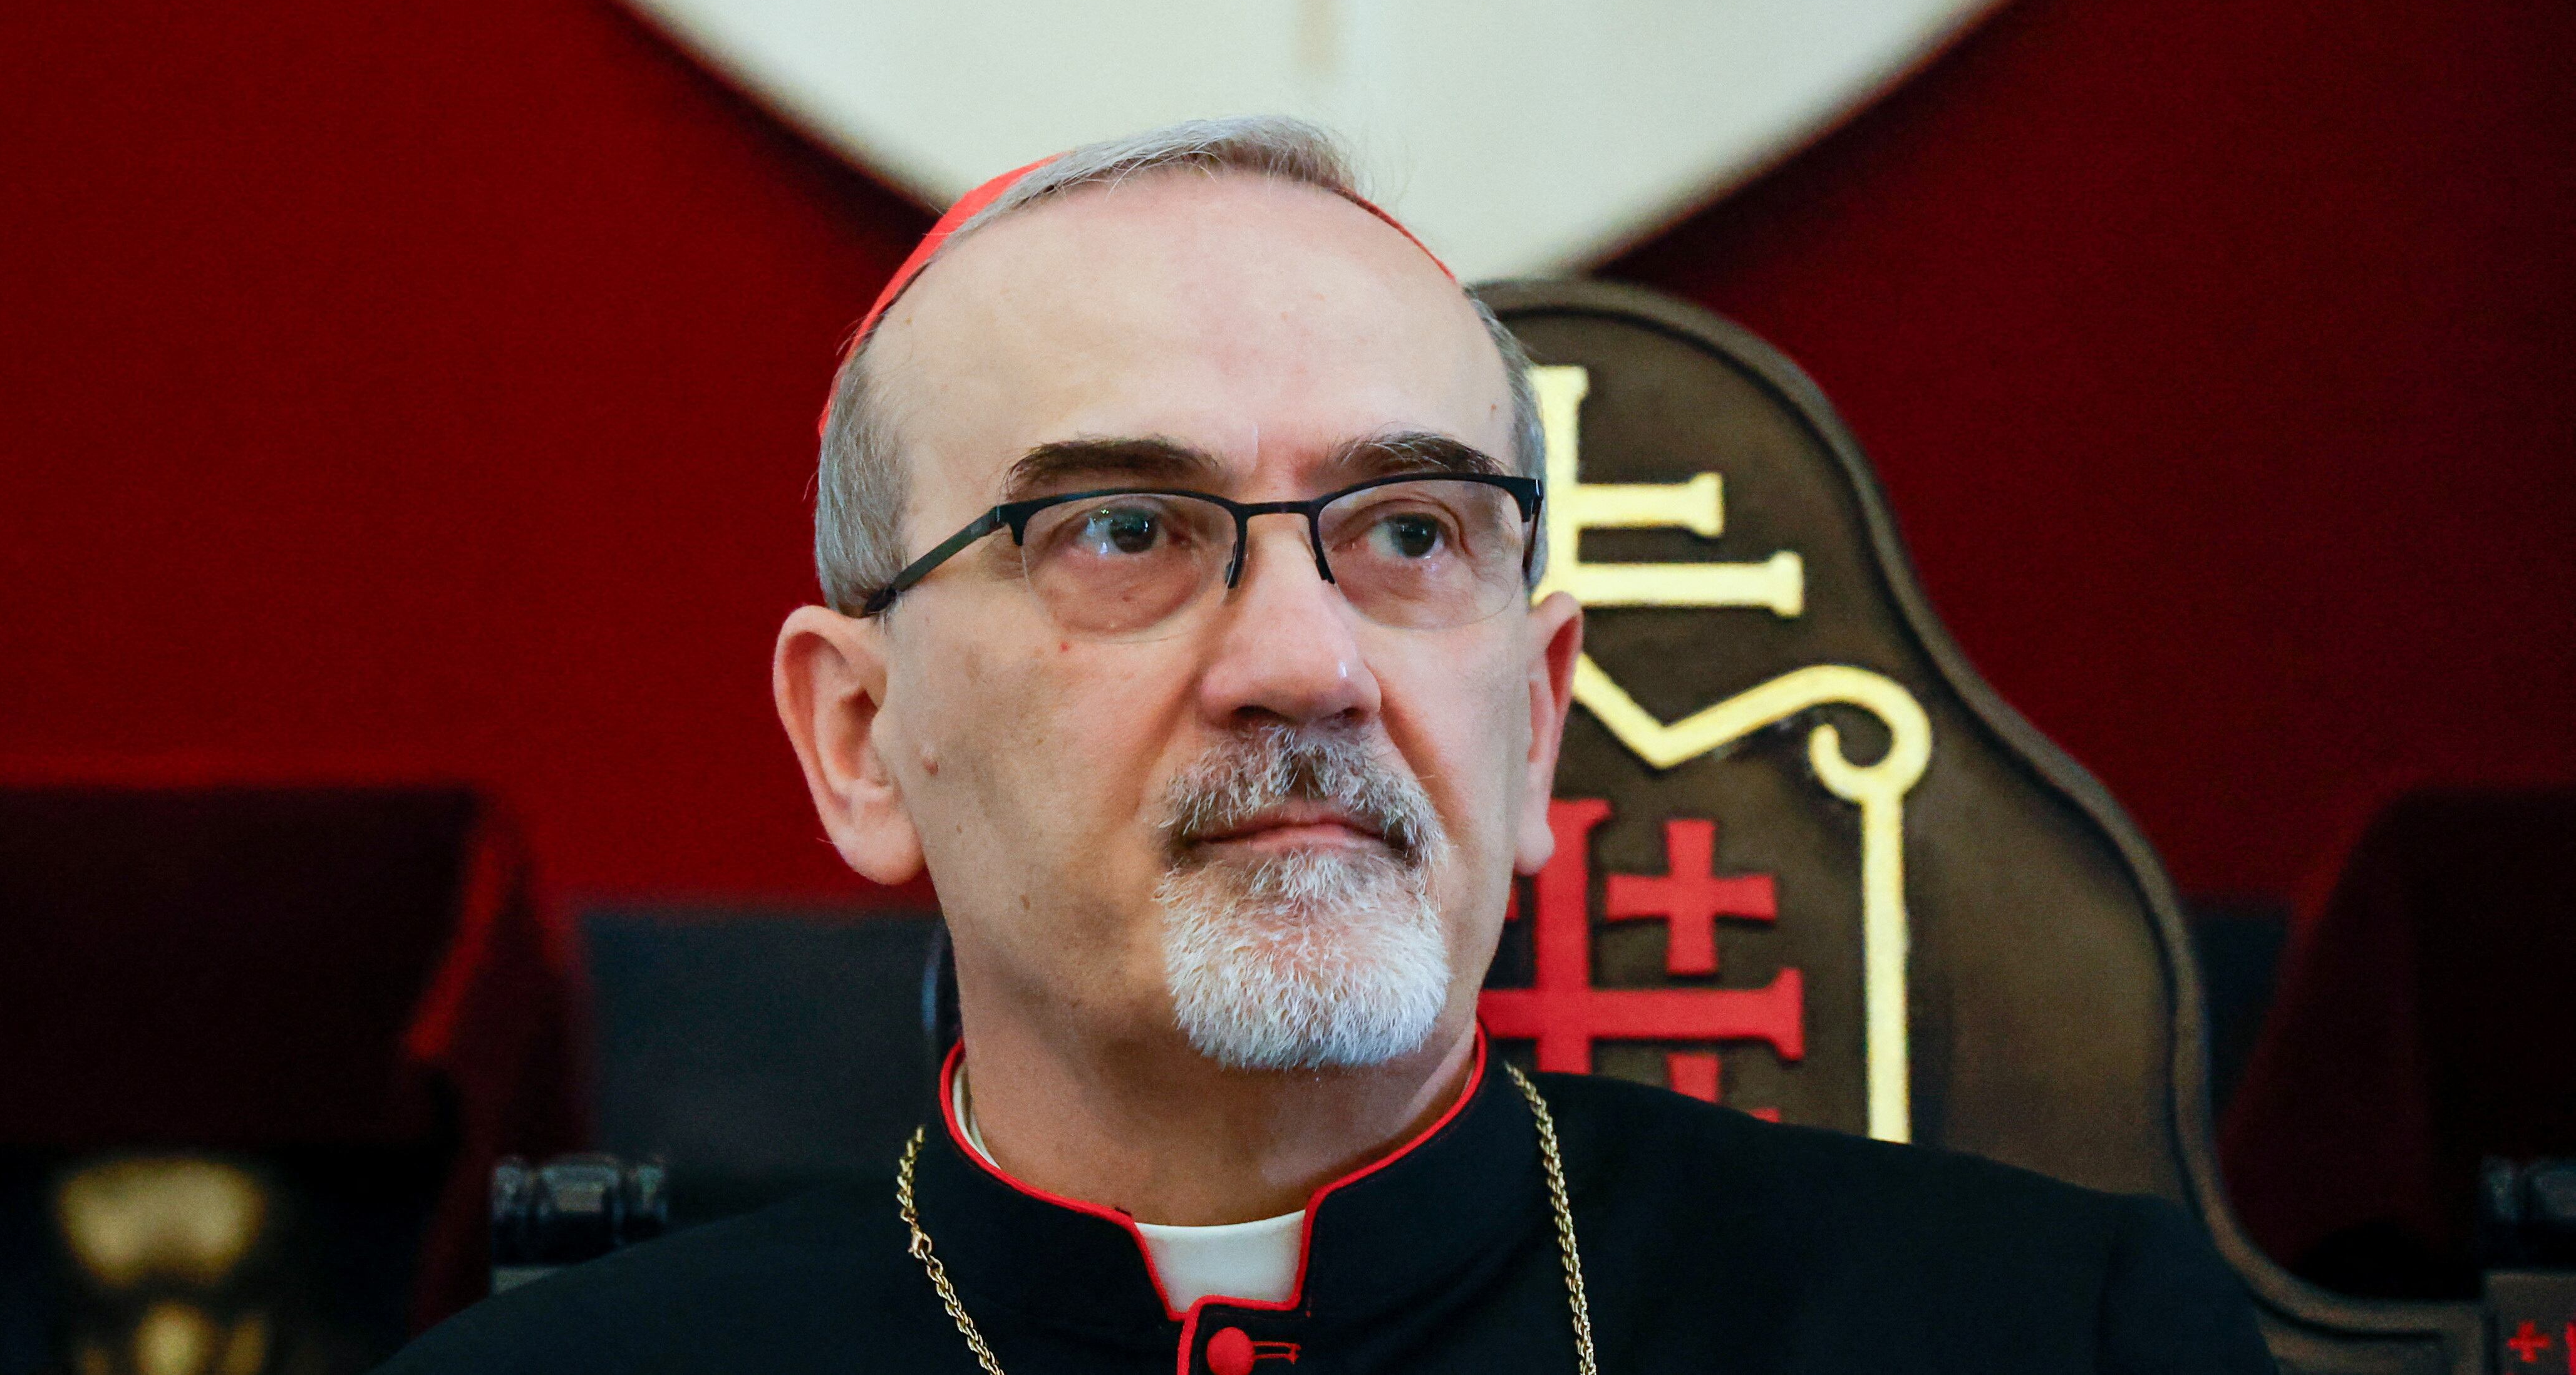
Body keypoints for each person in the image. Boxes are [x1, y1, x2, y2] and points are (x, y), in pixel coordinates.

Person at [383, 117, 2273, 1373]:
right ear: (862, 736)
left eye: (1407, 533)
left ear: (1533, 726)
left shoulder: (2048, 1335)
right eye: (1122, 528)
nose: (1307, 663)